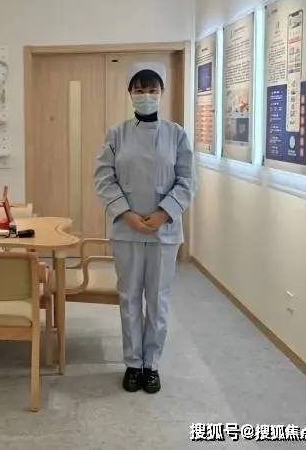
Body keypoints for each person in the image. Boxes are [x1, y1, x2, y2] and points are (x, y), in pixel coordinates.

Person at [93, 68, 195, 394]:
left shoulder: (177, 135)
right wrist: (126, 214)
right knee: (129, 298)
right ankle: (133, 363)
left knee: (158, 299)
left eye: (152, 90)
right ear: (130, 94)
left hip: (164, 232)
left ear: (161, 94)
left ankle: (152, 364)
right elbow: (103, 177)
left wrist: (164, 213)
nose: (145, 95)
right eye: (139, 90)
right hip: (127, 229)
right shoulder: (117, 134)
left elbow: (187, 180)